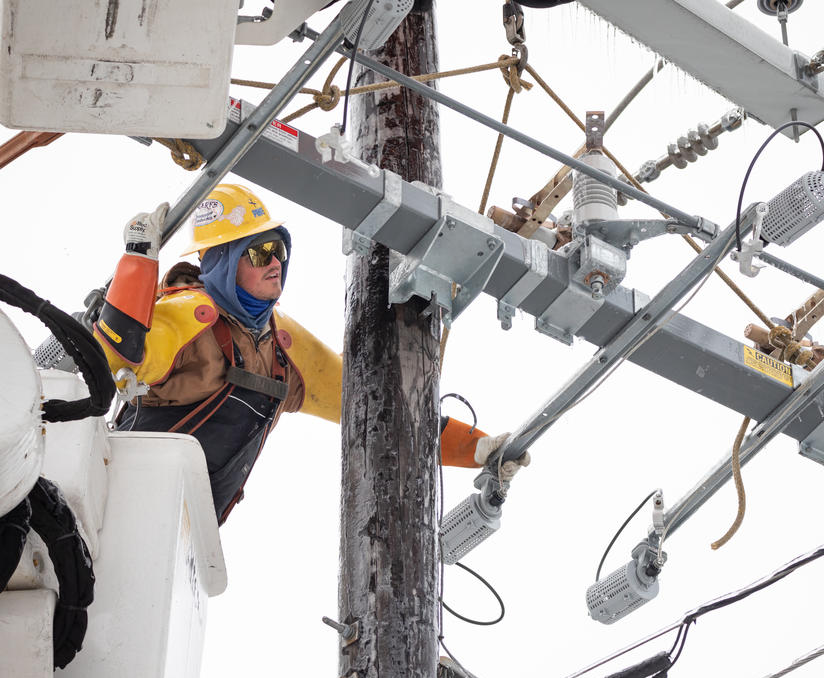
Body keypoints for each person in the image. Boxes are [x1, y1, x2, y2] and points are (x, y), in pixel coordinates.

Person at [93, 184, 528, 524]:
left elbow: (373, 406)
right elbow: (117, 358)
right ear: (222, 261)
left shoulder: (281, 343)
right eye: (259, 252)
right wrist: (137, 263)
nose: (275, 262)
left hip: (187, 525)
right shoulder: (187, 315)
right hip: (117, 502)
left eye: (279, 250)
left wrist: (477, 449)